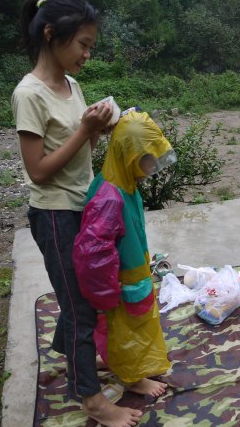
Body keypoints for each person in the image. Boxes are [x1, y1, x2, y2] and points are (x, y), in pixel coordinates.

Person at [12, 0, 142, 427]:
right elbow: (39, 172)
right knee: (83, 307)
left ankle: (73, 357)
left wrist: (97, 129)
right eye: (83, 45)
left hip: (81, 208)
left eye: (90, 46)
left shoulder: (71, 85)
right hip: (54, 216)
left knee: (79, 296)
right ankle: (90, 399)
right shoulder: (29, 94)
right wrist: (85, 130)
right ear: (51, 34)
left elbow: (78, 155)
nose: (88, 54)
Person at [72, 110, 172, 401]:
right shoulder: (109, 196)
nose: (153, 166)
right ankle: (132, 378)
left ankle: (128, 365)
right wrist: (105, 293)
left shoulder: (124, 184)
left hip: (133, 277)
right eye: (148, 158)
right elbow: (93, 253)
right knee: (126, 333)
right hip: (120, 286)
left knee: (134, 328)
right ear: (129, 155)